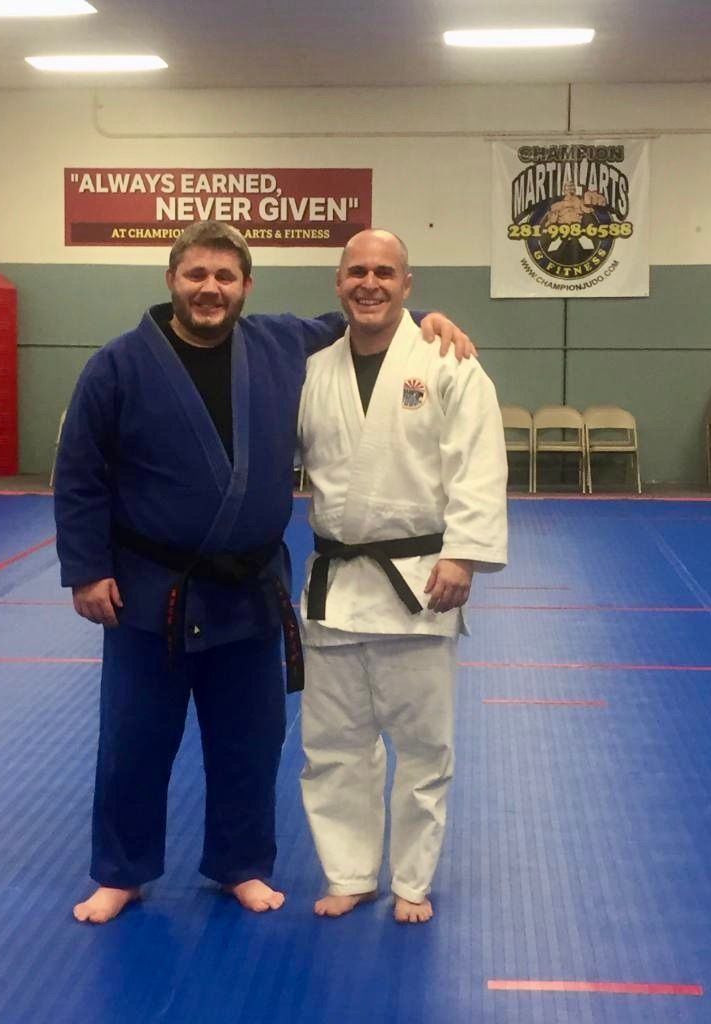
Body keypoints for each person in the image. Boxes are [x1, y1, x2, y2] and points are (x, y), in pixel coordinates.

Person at [53, 220, 475, 924]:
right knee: (132, 738)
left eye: (225, 277)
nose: (209, 289)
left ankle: (240, 865)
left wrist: (426, 319)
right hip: (148, 588)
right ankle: (121, 873)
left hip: (248, 590)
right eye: (196, 275)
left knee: (249, 738)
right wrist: (87, 570)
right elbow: (79, 474)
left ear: (247, 286)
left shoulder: (281, 344)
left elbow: (366, 318)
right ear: (171, 281)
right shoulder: (119, 364)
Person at [298, 229, 508, 924]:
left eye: (385, 272)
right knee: (333, 745)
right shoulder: (313, 368)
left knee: (424, 746)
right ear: (338, 283)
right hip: (336, 582)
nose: (370, 283)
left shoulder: (447, 360)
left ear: (408, 284)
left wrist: (465, 553)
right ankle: (351, 872)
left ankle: (411, 880)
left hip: (420, 580)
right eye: (357, 271)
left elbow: (478, 460)